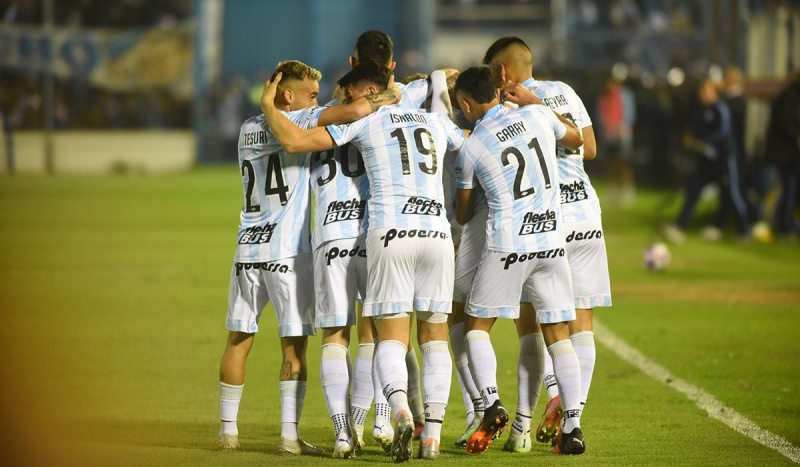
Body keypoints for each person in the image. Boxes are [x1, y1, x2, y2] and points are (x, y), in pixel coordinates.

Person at [262, 62, 466, 462]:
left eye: (349, 93)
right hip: (437, 235)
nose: (344, 100)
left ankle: (381, 416)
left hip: (378, 235)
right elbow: (470, 143)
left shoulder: (361, 123)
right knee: (432, 336)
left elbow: (296, 142)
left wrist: (270, 108)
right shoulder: (433, 121)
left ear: (367, 89)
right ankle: (430, 436)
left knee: (370, 336)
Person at [217, 59, 397, 456]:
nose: (317, 100)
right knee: (293, 348)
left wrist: (268, 110)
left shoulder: (248, 128)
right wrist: (389, 93)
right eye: (311, 94)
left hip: (246, 248)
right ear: (288, 95)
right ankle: (289, 437)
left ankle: (227, 432)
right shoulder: (303, 119)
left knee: (238, 339)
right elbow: (354, 110)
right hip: (286, 250)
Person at [482, 35, 611, 453]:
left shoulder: (509, 107)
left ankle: (524, 424)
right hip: (587, 216)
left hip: (544, 224)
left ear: (502, 72)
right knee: (581, 325)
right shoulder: (566, 91)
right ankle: (573, 416)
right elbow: (588, 147)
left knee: (533, 326)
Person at [452, 66, 587, 456]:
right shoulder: (537, 114)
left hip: (508, 244)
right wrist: (537, 102)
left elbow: (462, 215)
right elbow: (576, 140)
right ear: (497, 91)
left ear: (465, 104)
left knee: (476, 326)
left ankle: (492, 403)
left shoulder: (473, 145)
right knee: (558, 333)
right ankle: (573, 428)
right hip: (551, 242)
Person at [662, 78, 750, 243]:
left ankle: (744, 230)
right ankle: (680, 227)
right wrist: (692, 139)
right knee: (694, 189)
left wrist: (704, 142)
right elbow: (696, 133)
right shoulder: (702, 111)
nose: (702, 95)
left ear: (714, 92)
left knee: (732, 193)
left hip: (725, 158)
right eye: (701, 92)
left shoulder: (720, 108)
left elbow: (723, 132)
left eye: (706, 91)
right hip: (707, 160)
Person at [764, 74, 800, 239]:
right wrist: (796, 137)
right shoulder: (789, 96)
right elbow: (786, 123)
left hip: (788, 152)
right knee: (788, 188)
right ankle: (784, 227)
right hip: (785, 153)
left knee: (789, 188)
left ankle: (786, 224)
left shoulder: (790, 94)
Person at [596, 75, 637, 208]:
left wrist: (621, 129)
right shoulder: (602, 97)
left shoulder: (625, 95)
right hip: (608, 135)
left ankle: (627, 190)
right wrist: (605, 128)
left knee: (623, 163)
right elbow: (599, 115)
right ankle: (613, 191)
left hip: (622, 134)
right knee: (610, 163)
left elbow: (630, 114)